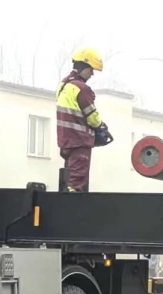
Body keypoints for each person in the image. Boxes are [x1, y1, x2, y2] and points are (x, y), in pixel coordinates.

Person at [56, 48, 110, 192]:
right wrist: (102, 128)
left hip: (66, 141)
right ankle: (71, 208)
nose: (92, 74)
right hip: (79, 141)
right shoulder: (81, 88)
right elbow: (92, 117)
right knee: (76, 183)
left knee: (69, 177)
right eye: (91, 69)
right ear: (83, 67)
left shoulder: (63, 86)